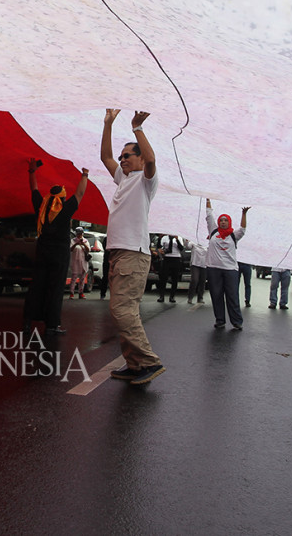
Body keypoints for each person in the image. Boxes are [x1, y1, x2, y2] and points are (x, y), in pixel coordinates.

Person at [100, 109, 165, 386]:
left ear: (138, 159)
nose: (123, 159)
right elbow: (105, 157)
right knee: (123, 311)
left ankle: (148, 361)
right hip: (118, 252)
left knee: (122, 310)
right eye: (123, 155)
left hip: (132, 253)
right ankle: (135, 365)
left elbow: (151, 159)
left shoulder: (145, 181)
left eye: (128, 155)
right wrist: (108, 124)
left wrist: (137, 127)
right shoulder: (123, 179)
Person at [23, 161, 89, 335]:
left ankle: (28, 321)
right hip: (59, 254)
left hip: (42, 251)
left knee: (37, 285)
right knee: (55, 287)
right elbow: (80, 193)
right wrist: (85, 175)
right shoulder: (65, 209)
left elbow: (34, 189)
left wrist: (32, 171)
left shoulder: (41, 206)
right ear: (62, 198)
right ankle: (52, 325)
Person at [206, 199, 249, 330]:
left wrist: (244, 214)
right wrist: (207, 200)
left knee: (232, 295)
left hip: (230, 270)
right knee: (216, 295)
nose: (223, 222)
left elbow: (243, 228)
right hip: (214, 269)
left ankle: (236, 321)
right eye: (221, 220)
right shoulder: (213, 231)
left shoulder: (233, 235)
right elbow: (209, 216)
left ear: (229, 222)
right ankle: (220, 320)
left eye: (225, 220)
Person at [154, 234, 183, 303]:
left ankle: (172, 296)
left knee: (175, 278)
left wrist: (177, 240)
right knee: (163, 278)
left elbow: (181, 248)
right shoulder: (165, 238)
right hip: (167, 258)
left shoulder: (179, 237)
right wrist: (159, 239)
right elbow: (159, 247)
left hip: (176, 258)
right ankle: (162, 296)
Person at [69, 226, 92, 300]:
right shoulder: (73, 240)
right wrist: (76, 244)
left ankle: (81, 292)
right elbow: (71, 249)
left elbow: (88, 250)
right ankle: (72, 293)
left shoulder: (86, 241)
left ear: (82, 233)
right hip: (75, 261)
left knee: (82, 277)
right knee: (74, 277)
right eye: (78, 233)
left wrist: (83, 244)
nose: (79, 235)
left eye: (80, 233)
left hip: (83, 262)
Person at [184, 238, 207, 305]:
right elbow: (188, 246)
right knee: (194, 280)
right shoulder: (193, 242)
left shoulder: (207, 243)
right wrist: (186, 240)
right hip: (195, 264)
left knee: (202, 281)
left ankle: (200, 298)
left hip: (204, 265)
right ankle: (190, 297)